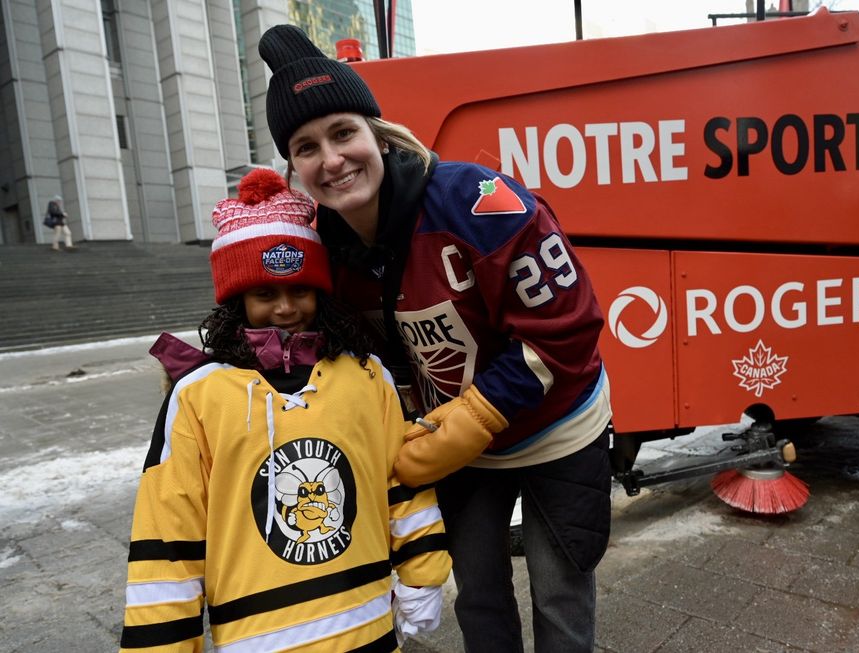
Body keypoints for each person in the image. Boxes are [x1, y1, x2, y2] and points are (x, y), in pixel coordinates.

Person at [259, 25, 613, 653]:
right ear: (294, 167)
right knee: (476, 590)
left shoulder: (478, 202)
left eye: (344, 132)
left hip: (559, 426)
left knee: (559, 592)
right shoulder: (322, 246)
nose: (332, 159)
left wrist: (479, 409)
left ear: (378, 133)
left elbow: (572, 326)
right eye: (306, 146)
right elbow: (307, 337)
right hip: (457, 446)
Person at [118, 168, 451, 652]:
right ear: (237, 300)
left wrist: (422, 572)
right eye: (265, 294)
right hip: (258, 639)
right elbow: (169, 530)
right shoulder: (198, 395)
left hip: (369, 626)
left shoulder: (365, 375)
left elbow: (401, 480)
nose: (285, 308)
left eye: (300, 290)